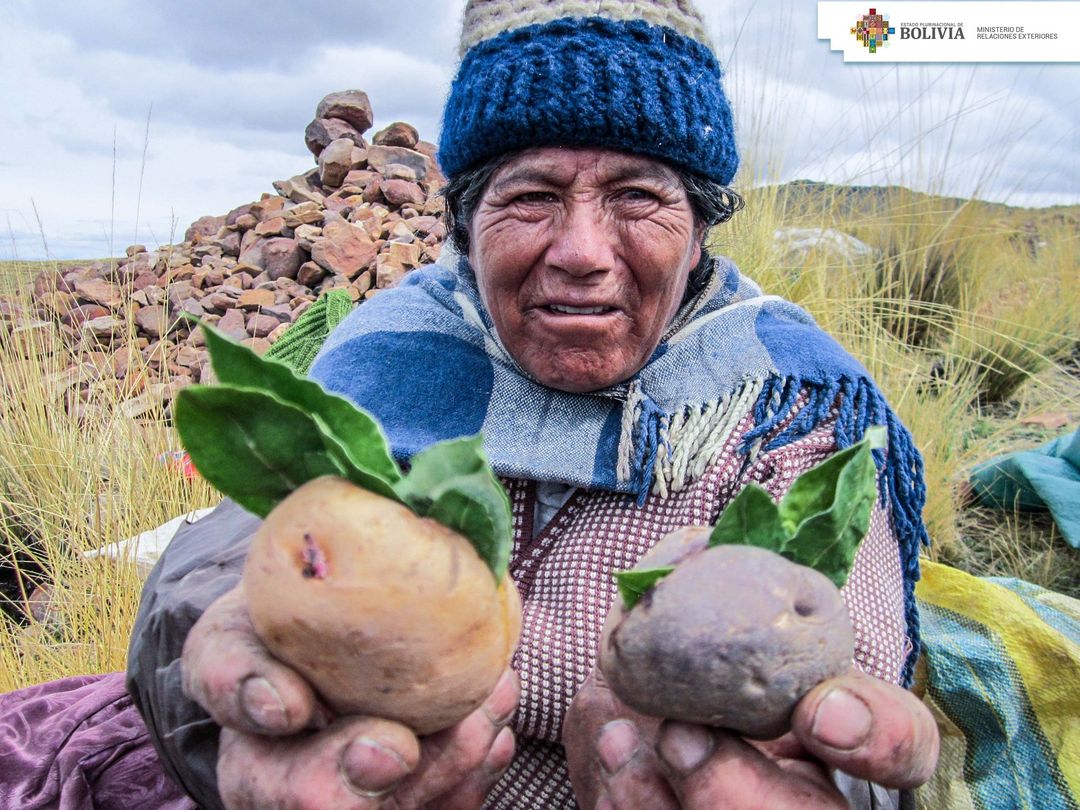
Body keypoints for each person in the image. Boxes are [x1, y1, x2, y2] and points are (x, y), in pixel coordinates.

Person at [0, 1, 939, 808]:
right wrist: (226, 707)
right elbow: (233, 559)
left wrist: (813, 771)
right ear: (465, 227)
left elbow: (848, 670)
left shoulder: (801, 407)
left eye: (637, 197)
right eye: (529, 195)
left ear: (697, 232)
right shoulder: (393, 348)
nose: (580, 249)